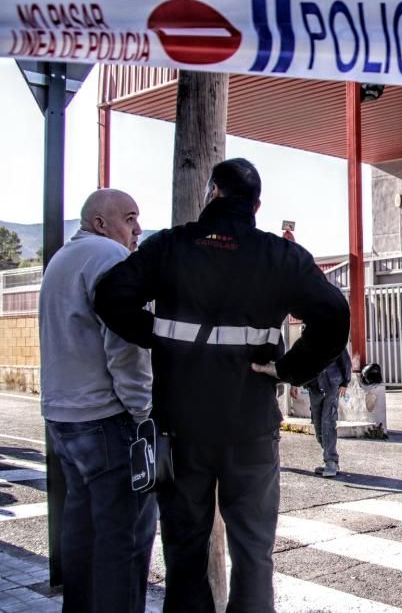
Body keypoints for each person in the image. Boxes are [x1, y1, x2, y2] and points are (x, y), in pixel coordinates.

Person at [94, 158, 350, 613]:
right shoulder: (280, 256)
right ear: (256, 205)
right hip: (249, 426)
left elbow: (111, 295)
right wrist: (288, 370)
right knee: (253, 552)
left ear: (211, 192)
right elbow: (334, 316)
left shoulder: (170, 247)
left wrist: (155, 336)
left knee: (184, 553)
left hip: (180, 427)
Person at [39, 189, 156, 613]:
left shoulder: (61, 260)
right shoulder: (110, 257)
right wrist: (144, 412)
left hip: (64, 416)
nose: (138, 228)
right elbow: (126, 345)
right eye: (130, 217)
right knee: (124, 538)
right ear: (101, 223)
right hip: (106, 418)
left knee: (82, 529)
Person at [303, 347, 352, 477]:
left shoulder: (334, 335)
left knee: (327, 421)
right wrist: (294, 384)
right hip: (314, 386)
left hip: (332, 384)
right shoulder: (306, 338)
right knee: (318, 426)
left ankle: (331, 461)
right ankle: (329, 460)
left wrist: (345, 382)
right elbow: (300, 361)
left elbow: (345, 360)